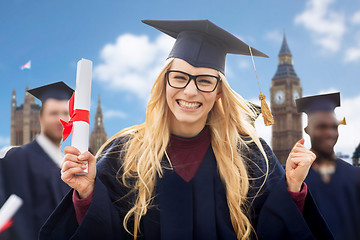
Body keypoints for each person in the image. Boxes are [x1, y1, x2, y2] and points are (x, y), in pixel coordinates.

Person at [40, 20, 333, 240]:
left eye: (205, 80)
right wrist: (88, 193)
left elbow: (273, 228)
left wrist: (292, 187)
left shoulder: (251, 156)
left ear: (219, 92)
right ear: (164, 82)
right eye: (179, 78)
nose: (190, 91)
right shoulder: (125, 153)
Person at [0, 81, 73, 240]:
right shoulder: (13, 157)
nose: (60, 119)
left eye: (64, 113)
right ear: (40, 118)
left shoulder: (71, 165)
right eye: (53, 113)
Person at [297, 92, 360, 240]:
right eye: (322, 127)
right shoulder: (294, 178)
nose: (330, 133)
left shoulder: (355, 176)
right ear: (307, 130)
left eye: (334, 127)